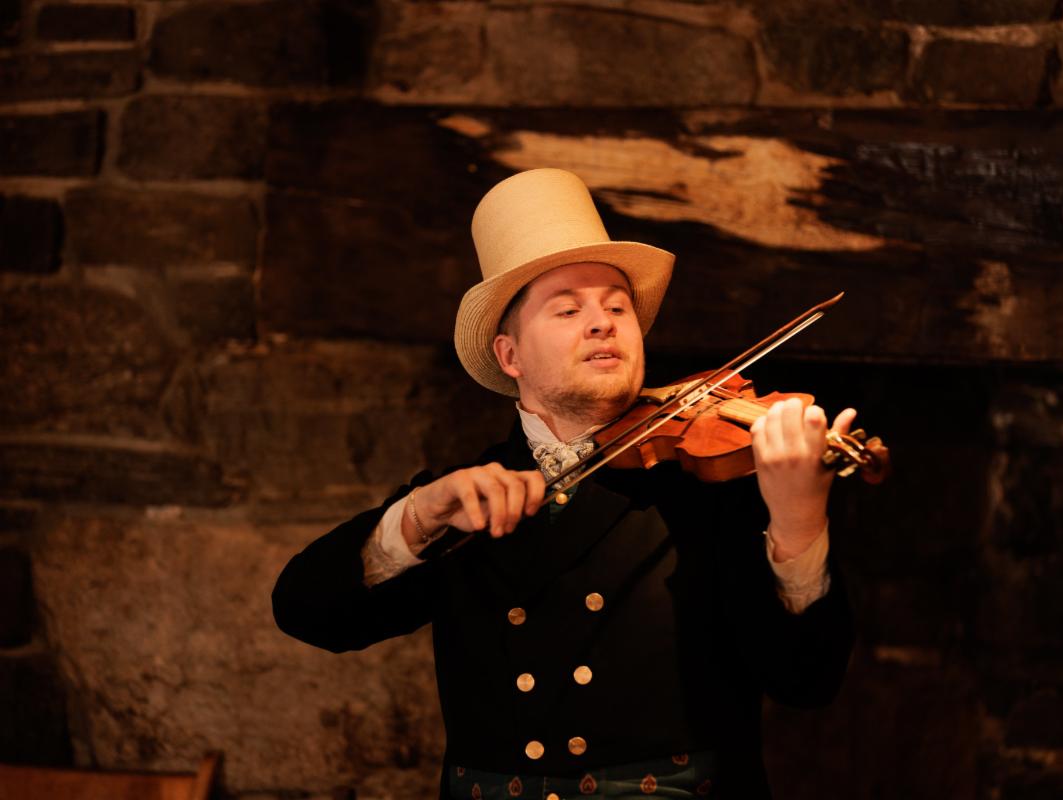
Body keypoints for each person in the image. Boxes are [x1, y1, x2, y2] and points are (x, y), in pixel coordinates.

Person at [272, 168, 856, 800]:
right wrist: (412, 520)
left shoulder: (714, 480)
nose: (603, 323)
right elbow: (306, 612)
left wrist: (799, 523)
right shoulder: (464, 496)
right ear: (510, 356)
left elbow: (807, 681)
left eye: (617, 306)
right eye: (568, 309)